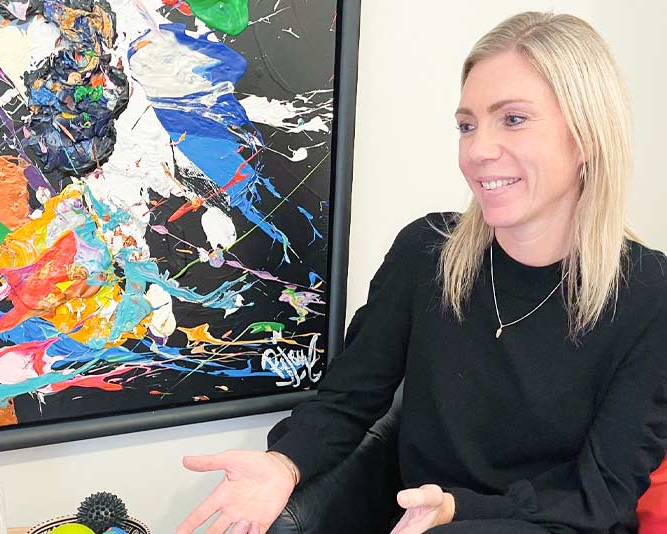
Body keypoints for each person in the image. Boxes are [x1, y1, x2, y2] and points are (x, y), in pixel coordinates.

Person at [177, 11, 667, 534]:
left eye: (513, 119)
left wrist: (461, 510)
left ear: (588, 136)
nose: (478, 150)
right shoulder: (426, 252)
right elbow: (348, 399)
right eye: (467, 125)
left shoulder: (649, 294)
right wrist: (284, 463)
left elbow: (602, 495)